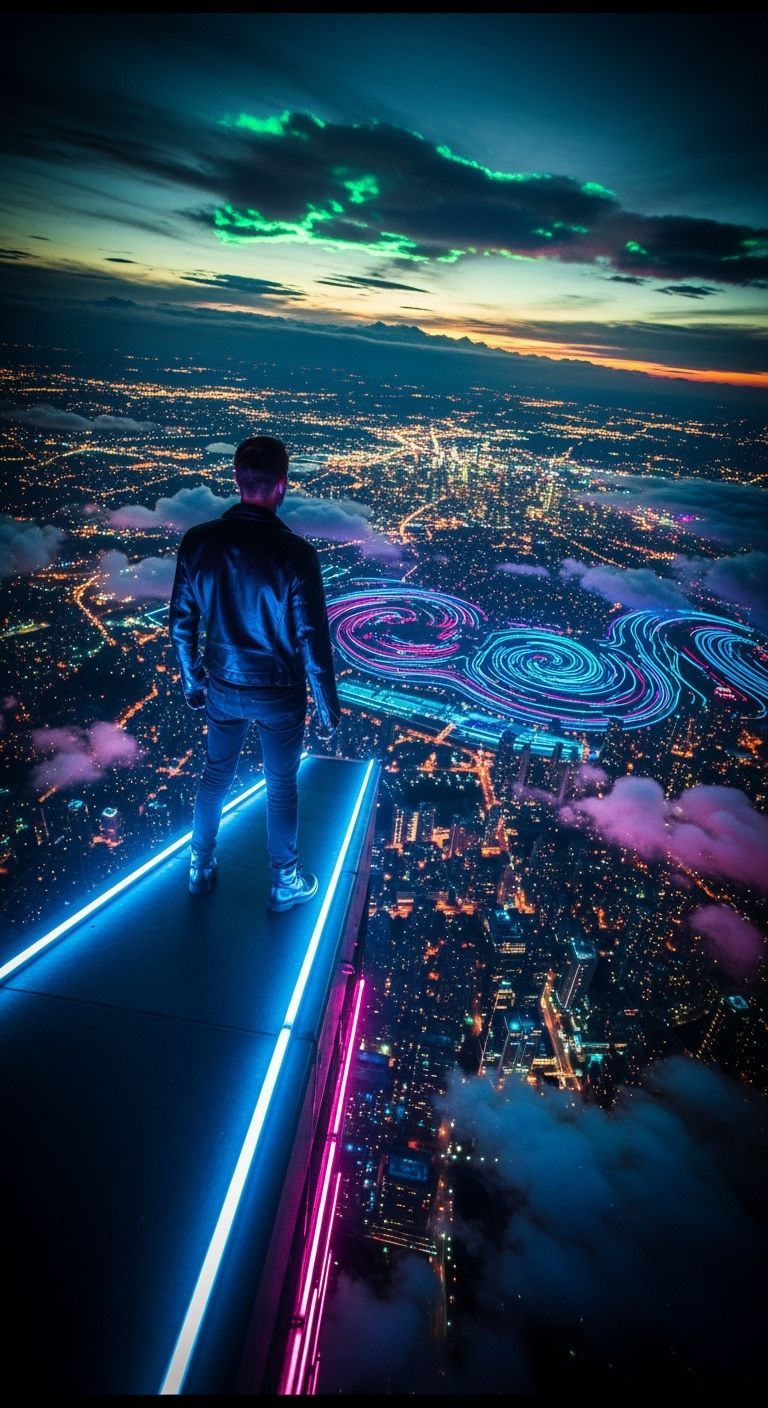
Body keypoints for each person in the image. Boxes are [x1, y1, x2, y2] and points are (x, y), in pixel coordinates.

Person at [168, 435, 341, 910]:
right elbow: (312, 638)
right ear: (283, 485)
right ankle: (284, 881)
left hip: (223, 686)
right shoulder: (296, 555)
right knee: (281, 785)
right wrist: (327, 707)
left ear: (236, 479)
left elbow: (181, 623)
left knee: (214, 776)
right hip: (280, 692)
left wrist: (193, 681)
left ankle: (200, 866)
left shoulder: (198, 541)